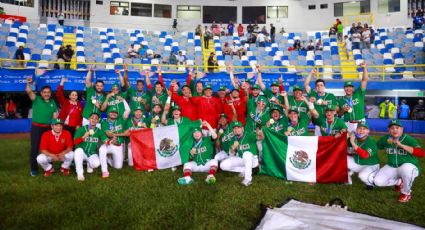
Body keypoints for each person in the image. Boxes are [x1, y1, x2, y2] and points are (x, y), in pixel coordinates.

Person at [374, 120, 425, 202]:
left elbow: (421, 153)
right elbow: (375, 147)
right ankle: (398, 182)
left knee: (406, 168)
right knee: (377, 182)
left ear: (402, 129)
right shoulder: (386, 139)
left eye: (397, 128)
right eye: (392, 128)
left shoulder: (408, 139)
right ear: (389, 130)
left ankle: (406, 193)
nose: (395, 130)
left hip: (410, 167)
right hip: (392, 166)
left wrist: (401, 145)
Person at [26, 78, 58, 176]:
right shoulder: (37, 99)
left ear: (50, 93)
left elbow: (55, 116)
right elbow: (28, 91)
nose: (46, 94)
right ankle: (34, 169)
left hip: (48, 128)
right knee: (35, 148)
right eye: (44, 92)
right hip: (36, 128)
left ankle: (49, 166)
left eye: (48, 92)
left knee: (48, 148)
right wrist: (29, 83)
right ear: (41, 93)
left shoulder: (53, 102)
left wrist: (56, 127)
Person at [220, 121, 262, 186]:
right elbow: (232, 153)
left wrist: (260, 133)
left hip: (252, 160)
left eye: (238, 128)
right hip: (241, 159)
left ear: (242, 128)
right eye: (234, 128)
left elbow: (260, 137)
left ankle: (248, 179)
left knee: (246, 154)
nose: (236, 130)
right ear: (233, 130)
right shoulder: (233, 139)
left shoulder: (248, 135)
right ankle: (244, 170)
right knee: (223, 165)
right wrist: (233, 148)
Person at [73, 113, 109, 181]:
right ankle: (80, 174)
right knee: (78, 151)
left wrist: (110, 141)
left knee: (96, 164)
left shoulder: (99, 131)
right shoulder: (81, 129)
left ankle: (89, 164)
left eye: (96, 119)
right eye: (92, 118)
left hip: (91, 153)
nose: (94, 120)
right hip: (82, 152)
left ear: (98, 121)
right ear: (89, 119)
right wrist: (83, 137)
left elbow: (105, 140)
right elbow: (74, 142)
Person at [347, 121, 380, 190]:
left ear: (368, 131)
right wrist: (346, 137)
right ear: (356, 130)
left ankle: (370, 183)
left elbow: (365, 155)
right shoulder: (354, 138)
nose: (361, 131)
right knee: (341, 159)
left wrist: (353, 143)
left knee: (362, 176)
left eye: (364, 129)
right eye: (359, 128)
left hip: (371, 165)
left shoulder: (371, 142)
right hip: (358, 163)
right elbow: (344, 145)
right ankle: (347, 178)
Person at [304, 68, 338, 135]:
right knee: (319, 143)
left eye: (321, 85)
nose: (319, 87)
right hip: (318, 125)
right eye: (318, 85)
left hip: (330, 124)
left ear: (324, 86)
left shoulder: (331, 96)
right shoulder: (313, 94)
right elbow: (306, 84)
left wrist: (327, 104)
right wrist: (311, 73)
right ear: (316, 87)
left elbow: (337, 108)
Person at [338, 63, 368, 133]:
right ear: (344, 88)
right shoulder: (341, 100)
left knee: (361, 140)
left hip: (360, 122)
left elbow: (365, 80)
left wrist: (364, 68)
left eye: (350, 87)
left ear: (353, 88)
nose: (348, 89)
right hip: (348, 123)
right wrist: (343, 110)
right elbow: (339, 114)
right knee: (347, 141)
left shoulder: (358, 93)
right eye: (347, 87)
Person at [99, 107, 128, 178]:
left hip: (118, 145)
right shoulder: (104, 122)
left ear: (117, 115)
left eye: (115, 113)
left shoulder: (121, 121)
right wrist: (120, 134)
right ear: (108, 113)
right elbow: (108, 134)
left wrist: (116, 135)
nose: (113, 114)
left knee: (118, 167)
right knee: (102, 149)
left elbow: (127, 133)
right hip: (109, 144)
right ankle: (104, 171)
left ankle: (108, 159)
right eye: (111, 112)